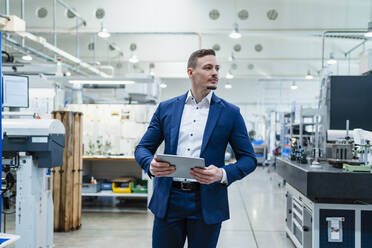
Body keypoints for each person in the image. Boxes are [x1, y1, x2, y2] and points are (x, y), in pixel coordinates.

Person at [135, 49, 257, 248]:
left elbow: (249, 159)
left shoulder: (230, 113)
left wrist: (222, 173)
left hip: (207, 202)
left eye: (217, 68)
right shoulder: (166, 109)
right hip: (169, 200)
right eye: (208, 68)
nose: (215, 72)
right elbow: (142, 148)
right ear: (190, 72)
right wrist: (150, 165)